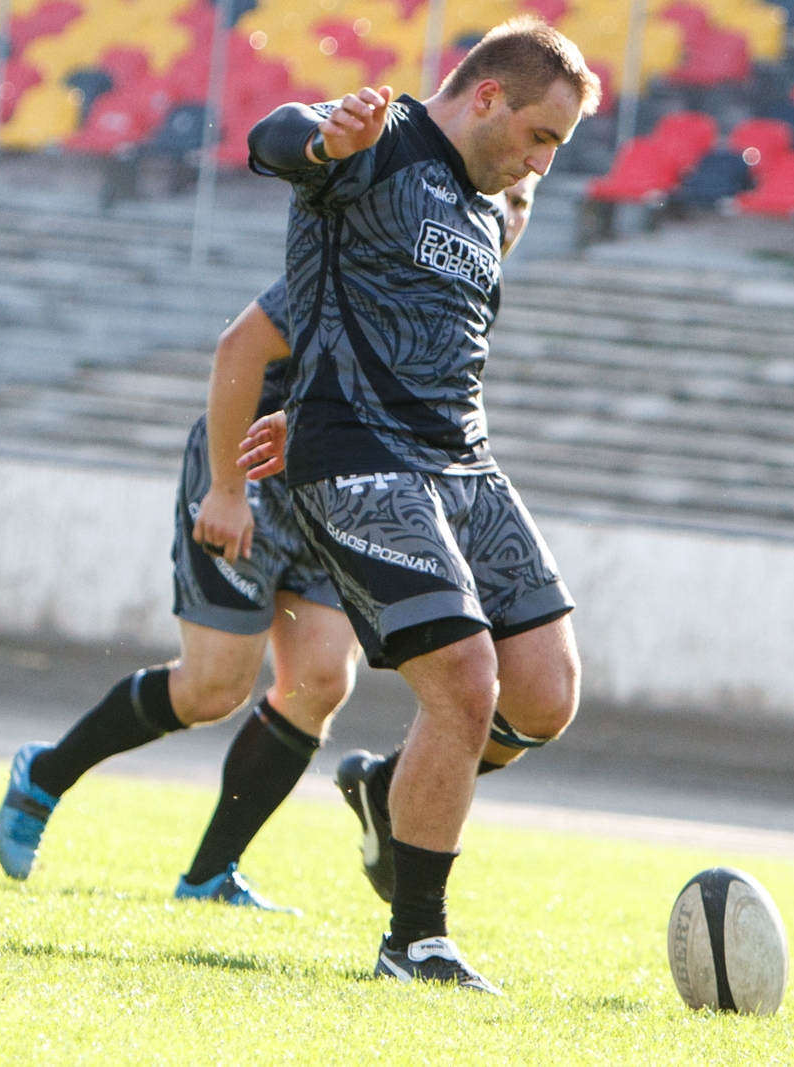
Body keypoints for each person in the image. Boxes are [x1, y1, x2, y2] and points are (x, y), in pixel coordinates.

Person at [0, 174, 544, 912]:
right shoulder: (385, 256)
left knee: (320, 679)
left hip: (337, 491)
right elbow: (239, 348)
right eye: (501, 195)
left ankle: (208, 875)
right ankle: (45, 774)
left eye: (525, 204)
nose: (509, 213)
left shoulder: (466, 289)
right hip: (248, 472)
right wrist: (225, 487)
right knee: (213, 685)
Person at [246, 16, 598, 992]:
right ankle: (415, 939)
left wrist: (512, 208)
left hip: (462, 462)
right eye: (539, 136)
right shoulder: (378, 140)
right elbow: (273, 135)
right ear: (487, 96)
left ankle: (379, 784)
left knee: (544, 694)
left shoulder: (496, 202)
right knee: (464, 681)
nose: (542, 161)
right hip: (357, 458)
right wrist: (325, 141)